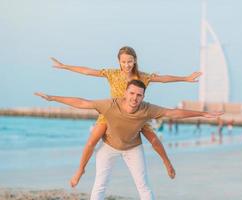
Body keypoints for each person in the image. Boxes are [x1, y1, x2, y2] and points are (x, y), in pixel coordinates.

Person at [35, 80, 223, 200]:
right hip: (108, 148)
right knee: (100, 184)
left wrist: (203, 114)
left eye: (139, 95)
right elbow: (82, 102)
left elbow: (173, 112)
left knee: (143, 186)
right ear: (125, 93)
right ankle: (81, 172)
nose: (134, 98)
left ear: (143, 96)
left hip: (133, 148)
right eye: (132, 93)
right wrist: (52, 98)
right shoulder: (110, 105)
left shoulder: (147, 109)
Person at [50, 46, 202, 185]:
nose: (127, 65)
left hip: (136, 115)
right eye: (123, 62)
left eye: (130, 61)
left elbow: (164, 79)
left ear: (135, 61)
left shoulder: (142, 77)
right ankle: (80, 170)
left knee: (154, 139)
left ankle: (167, 163)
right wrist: (65, 66)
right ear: (119, 62)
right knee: (92, 140)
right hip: (112, 114)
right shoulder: (111, 74)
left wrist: (185, 78)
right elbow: (88, 71)